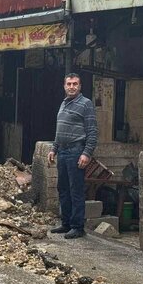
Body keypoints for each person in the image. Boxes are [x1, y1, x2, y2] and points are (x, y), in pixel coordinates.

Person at [47, 73, 98, 239]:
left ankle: (77, 227)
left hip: (76, 151)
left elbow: (92, 131)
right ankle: (66, 223)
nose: (71, 87)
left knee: (76, 190)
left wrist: (86, 153)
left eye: (75, 84)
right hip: (62, 151)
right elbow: (60, 129)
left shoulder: (86, 104)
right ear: (64, 86)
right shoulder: (64, 103)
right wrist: (53, 148)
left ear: (80, 86)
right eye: (69, 84)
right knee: (63, 189)